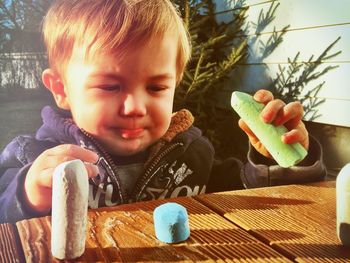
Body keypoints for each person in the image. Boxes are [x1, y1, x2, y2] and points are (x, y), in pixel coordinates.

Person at [0, 0, 326, 223]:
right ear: (61, 89)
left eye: (156, 88)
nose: (136, 107)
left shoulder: (193, 158)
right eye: (110, 86)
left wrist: (277, 159)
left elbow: (261, 200)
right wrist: (28, 194)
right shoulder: (34, 158)